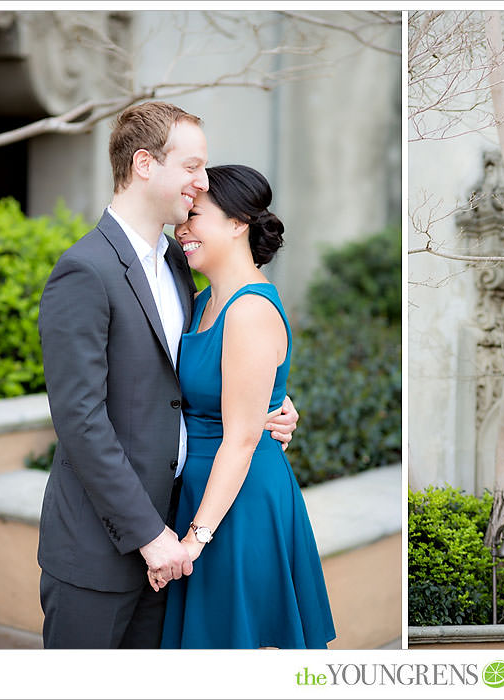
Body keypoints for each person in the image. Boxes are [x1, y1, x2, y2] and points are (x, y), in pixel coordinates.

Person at [37, 102, 298, 649]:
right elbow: (80, 421)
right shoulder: (85, 270)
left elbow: (198, 374)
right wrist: (150, 537)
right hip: (103, 550)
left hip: (176, 540)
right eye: (192, 167)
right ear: (144, 165)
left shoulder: (182, 266)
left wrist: (269, 406)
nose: (202, 181)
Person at [158, 164, 336, 649]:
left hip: (236, 502)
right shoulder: (198, 302)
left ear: (238, 223)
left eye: (195, 215)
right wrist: (276, 398)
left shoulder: (250, 309)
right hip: (200, 491)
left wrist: (195, 539)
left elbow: (239, 440)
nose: (183, 228)